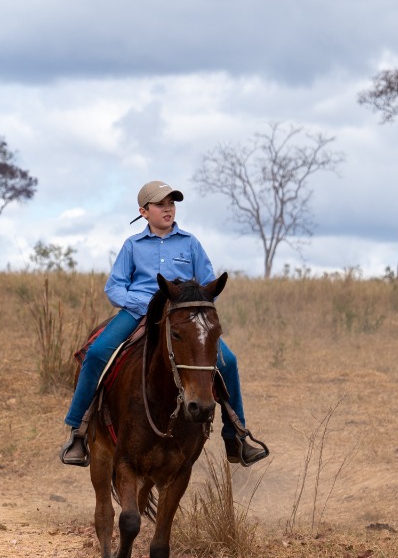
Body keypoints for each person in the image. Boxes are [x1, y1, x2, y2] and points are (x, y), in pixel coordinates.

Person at [59, 180, 267, 468]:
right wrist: (140, 304)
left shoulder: (190, 243)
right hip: (137, 313)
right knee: (96, 355)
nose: (168, 209)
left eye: (171, 203)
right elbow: (114, 288)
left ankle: (237, 436)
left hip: (182, 317)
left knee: (228, 361)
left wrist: (197, 313)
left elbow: (208, 285)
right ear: (144, 212)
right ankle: (78, 433)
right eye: (160, 204)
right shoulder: (132, 245)